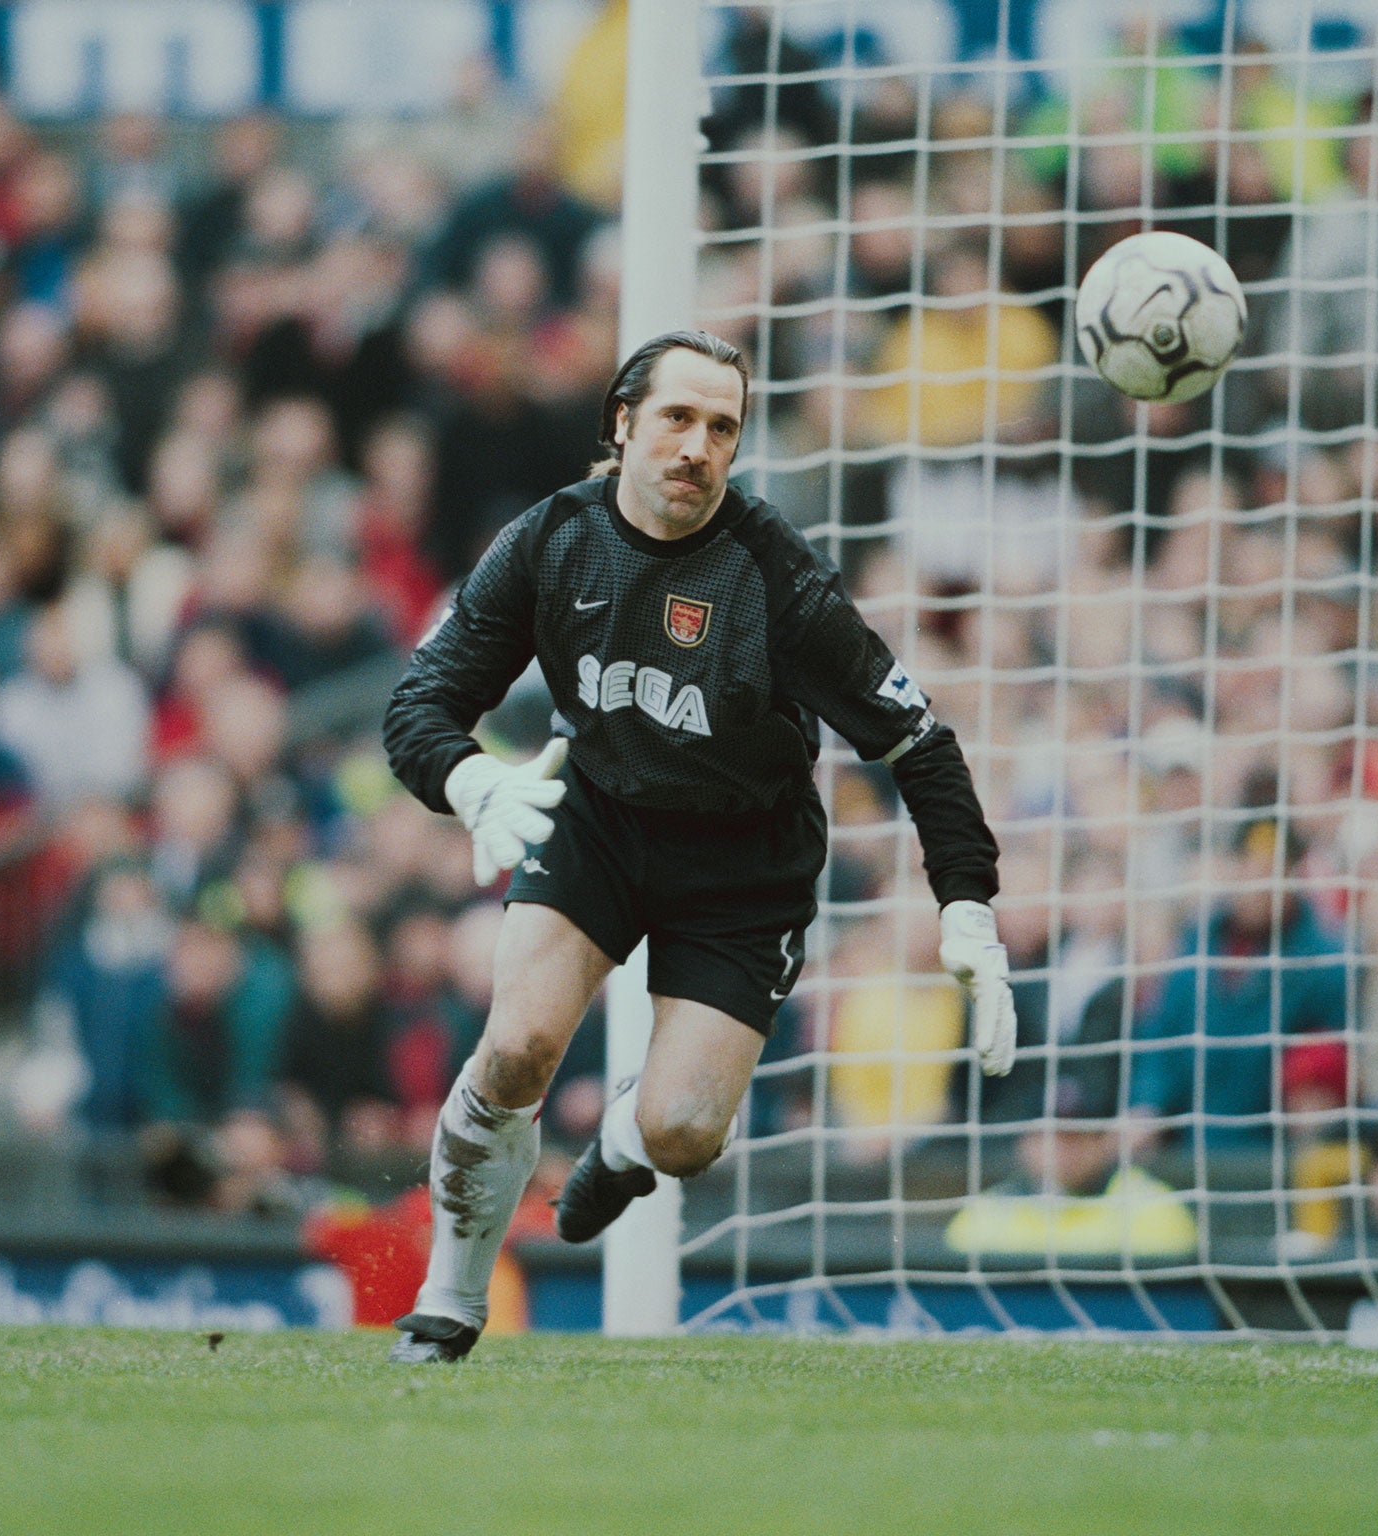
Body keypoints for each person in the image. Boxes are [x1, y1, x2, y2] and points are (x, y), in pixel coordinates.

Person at [378, 329, 1016, 1362]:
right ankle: (447, 1302)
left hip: (741, 869)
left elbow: (918, 744)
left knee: (684, 1132)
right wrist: (464, 776)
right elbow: (423, 699)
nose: (697, 446)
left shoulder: (775, 578)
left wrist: (967, 906)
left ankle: (625, 1142)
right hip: (596, 821)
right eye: (677, 418)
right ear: (622, 425)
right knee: (514, 1048)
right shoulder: (551, 540)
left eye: (722, 427)